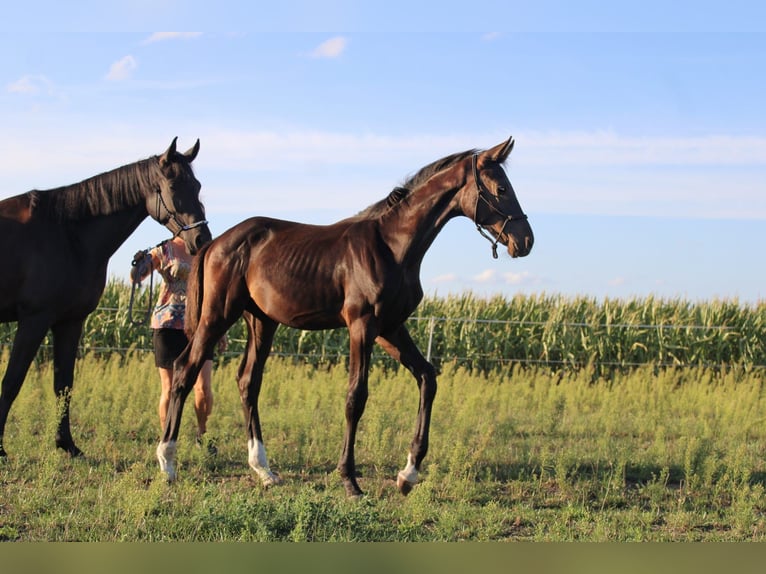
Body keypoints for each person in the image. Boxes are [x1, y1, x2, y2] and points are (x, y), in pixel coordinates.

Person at [131, 235, 224, 453]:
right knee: (170, 389)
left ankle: (202, 433)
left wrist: (220, 330)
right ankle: (167, 441)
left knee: (203, 388)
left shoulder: (208, 251)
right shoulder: (164, 249)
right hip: (167, 323)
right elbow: (138, 277)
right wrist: (139, 264)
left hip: (200, 326)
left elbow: (215, 291)